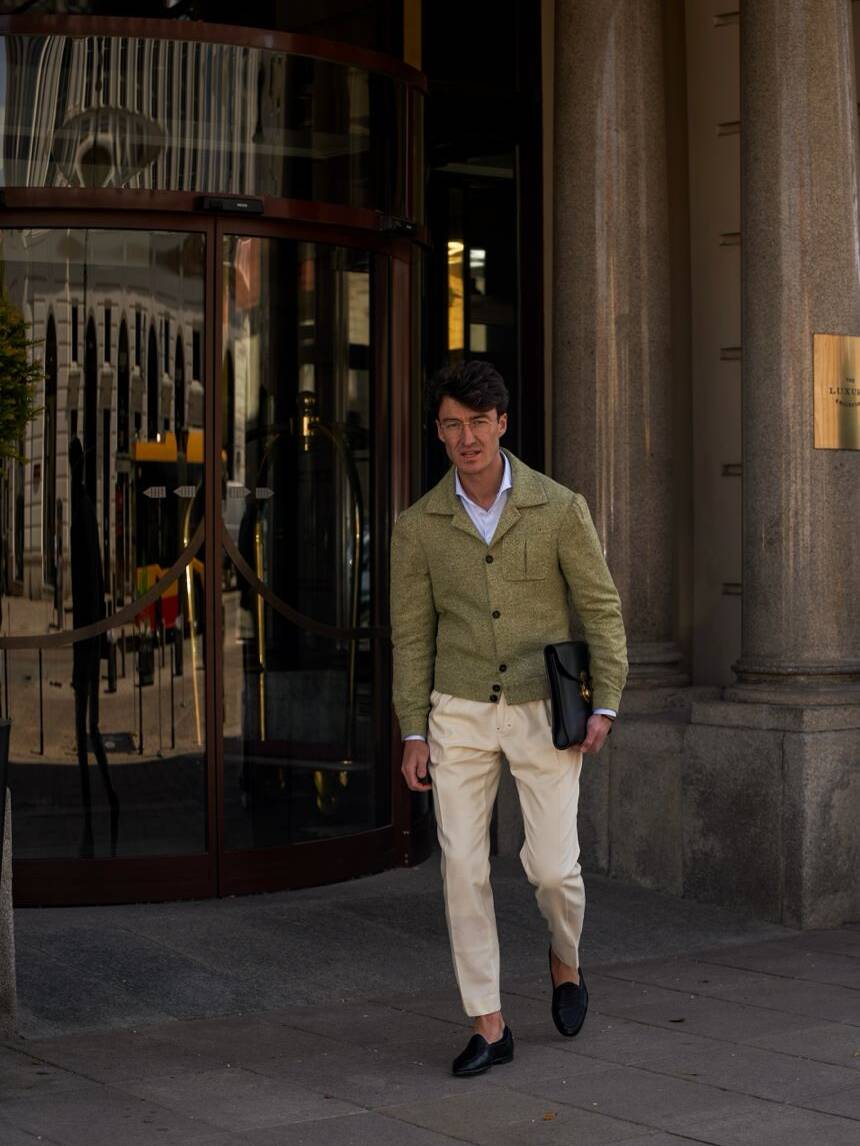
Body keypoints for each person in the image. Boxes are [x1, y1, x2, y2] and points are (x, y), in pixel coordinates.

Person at [390, 360, 627, 1077]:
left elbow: (601, 608)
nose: (466, 437)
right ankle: (489, 1025)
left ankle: (565, 958)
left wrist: (606, 699)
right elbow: (410, 634)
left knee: (554, 870)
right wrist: (412, 729)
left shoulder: (559, 508)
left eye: (477, 423)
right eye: (451, 425)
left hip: (541, 708)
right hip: (457, 712)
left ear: (501, 423)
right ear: (439, 431)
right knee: (462, 867)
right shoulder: (418, 526)